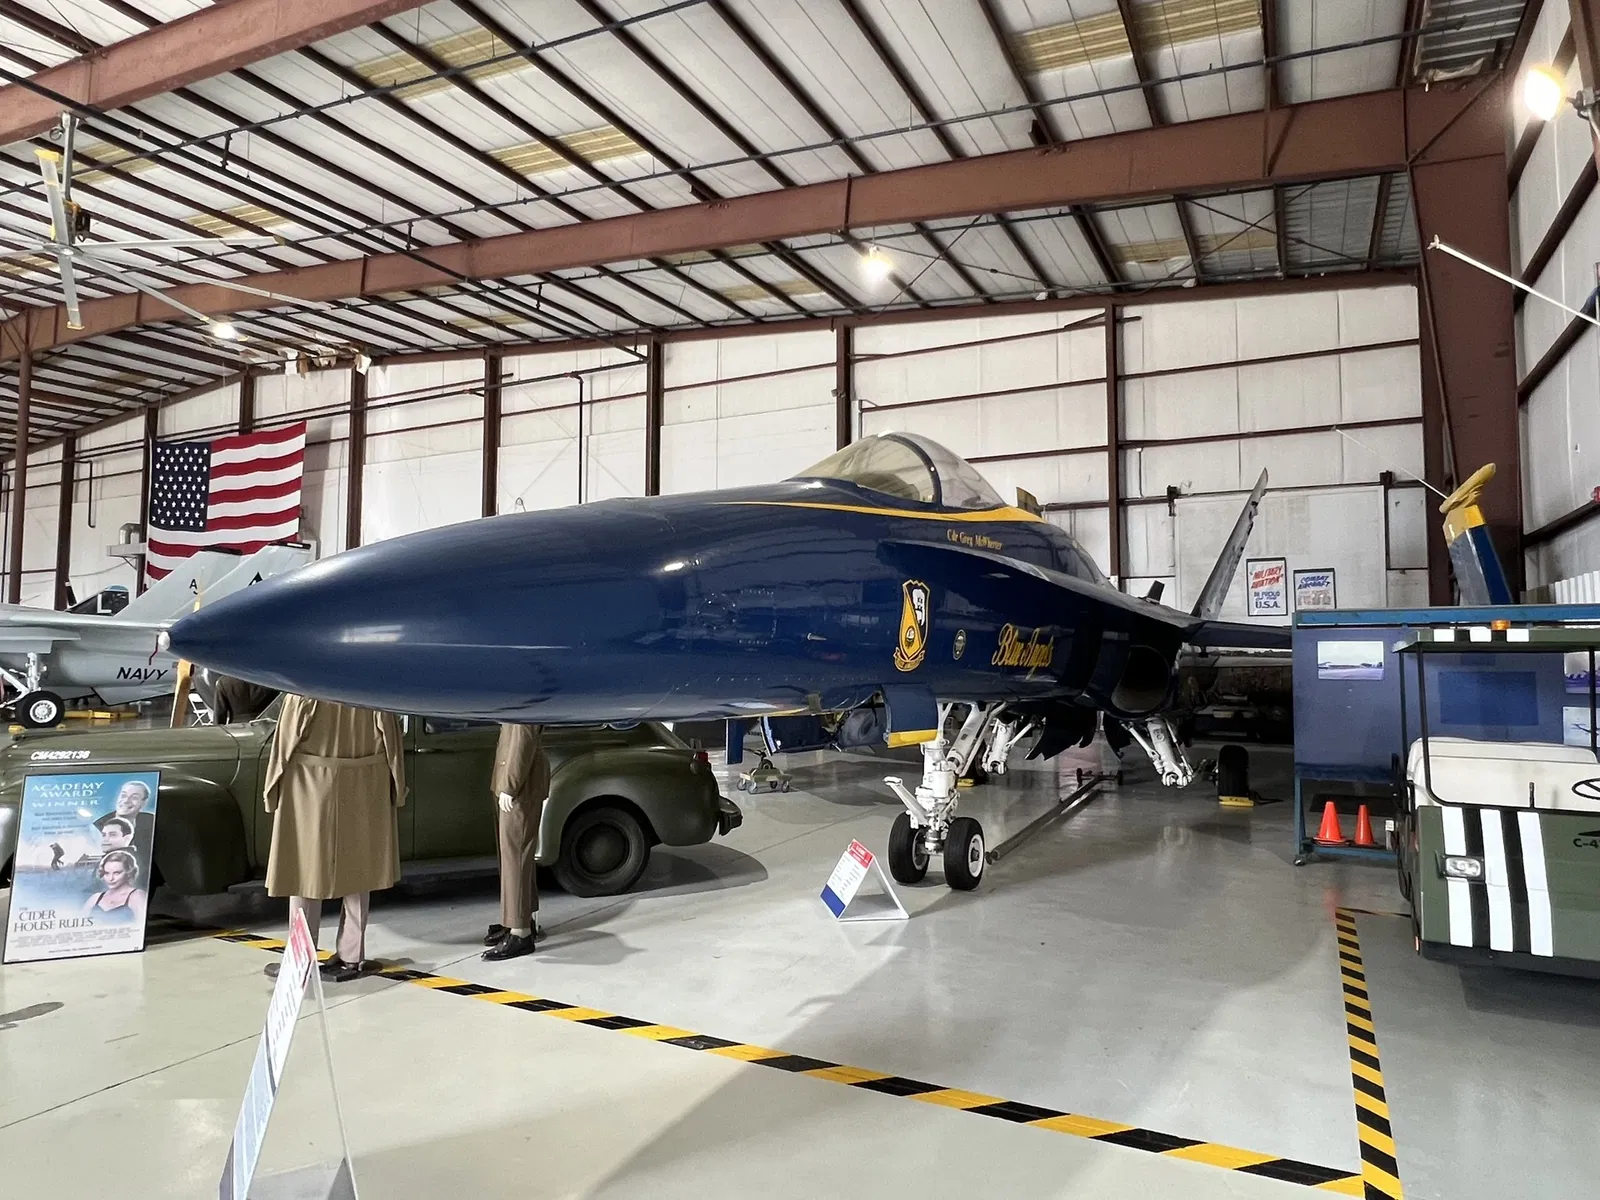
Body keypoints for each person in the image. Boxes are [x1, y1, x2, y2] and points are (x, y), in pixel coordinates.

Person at [263, 693, 405, 983]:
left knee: (303, 871)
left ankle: (301, 957)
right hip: (364, 781)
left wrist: (272, 789)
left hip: (309, 786)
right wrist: (397, 789)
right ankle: (353, 956)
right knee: (360, 870)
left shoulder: (308, 687)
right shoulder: (368, 685)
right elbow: (392, 742)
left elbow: (285, 743)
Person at [482, 723, 549, 961]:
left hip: (521, 783)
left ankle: (521, 933)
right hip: (514, 779)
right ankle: (518, 919)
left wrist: (510, 784)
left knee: (516, 857)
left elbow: (523, 736)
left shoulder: (525, 695)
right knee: (514, 857)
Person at [94, 780, 155, 857]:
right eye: (123, 795)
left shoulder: (152, 822)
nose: (126, 801)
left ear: (143, 803)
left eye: (134, 798)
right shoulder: (97, 827)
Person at [82, 850, 147, 922]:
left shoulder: (137, 896)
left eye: (116, 873)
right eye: (107, 873)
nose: (111, 878)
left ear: (129, 873)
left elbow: (141, 926)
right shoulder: (95, 898)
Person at [212, 674, 279, 725]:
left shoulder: (223, 682)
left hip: (236, 729)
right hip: (265, 726)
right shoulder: (270, 681)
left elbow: (219, 715)